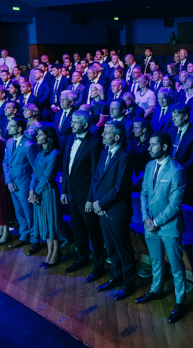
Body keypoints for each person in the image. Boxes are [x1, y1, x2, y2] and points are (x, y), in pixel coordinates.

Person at [136, 132, 188, 322]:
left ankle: (180, 301)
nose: (148, 148)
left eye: (153, 145)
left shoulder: (177, 170)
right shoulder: (149, 165)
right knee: (155, 261)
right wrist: (145, 218)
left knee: (176, 267)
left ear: (165, 147)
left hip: (168, 227)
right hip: (150, 225)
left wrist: (155, 222)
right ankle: (156, 290)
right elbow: (143, 194)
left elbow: (175, 205)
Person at [90, 121, 136, 299]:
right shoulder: (103, 153)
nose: (102, 135)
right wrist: (97, 202)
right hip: (102, 209)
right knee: (110, 247)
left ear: (117, 137)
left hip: (116, 211)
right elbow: (96, 179)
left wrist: (101, 204)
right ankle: (115, 277)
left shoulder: (125, 156)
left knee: (123, 248)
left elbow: (120, 188)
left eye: (107, 133)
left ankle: (128, 283)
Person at [61, 111, 104, 278]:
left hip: (86, 197)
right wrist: (64, 190)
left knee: (94, 231)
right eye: (72, 121)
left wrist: (90, 199)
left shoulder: (95, 144)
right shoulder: (71, 139)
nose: (72, 124)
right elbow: (65, 166)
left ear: (85, 125)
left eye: (76, 122)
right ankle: (82, 257)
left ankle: (99, 265)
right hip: (72, 194)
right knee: (78, 229)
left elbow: (95, 175)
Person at [27, 126, 65, 265]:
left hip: (48, 192)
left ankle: (55, 253)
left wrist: (35, 192)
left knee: (52, 223)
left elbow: (47, 177)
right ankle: (49, 252)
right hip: (38, 192)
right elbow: (34, 174)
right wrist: (31, 190)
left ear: (48, 137)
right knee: (45, 223)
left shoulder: (54, 153)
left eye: (40, 134)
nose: (37, 137)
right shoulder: (39, 153)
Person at [4, 117, 38, 249]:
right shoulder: (9, 141)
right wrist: (8, 181)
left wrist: (32, 188)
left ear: (19, 129)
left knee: (29, 213)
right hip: (12, 184)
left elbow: (35, 169)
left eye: (11, 126)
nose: (8, 128)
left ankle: (35, 239)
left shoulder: (29, 145)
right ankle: (24, 236)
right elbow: (5, 163)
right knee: (19, 212)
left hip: (24, 185)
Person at [166, 105, 193, 206]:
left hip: (186, 179)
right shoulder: (171, 130)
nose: (173, 119)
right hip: (168, 178)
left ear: (186, 116)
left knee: (184, 213)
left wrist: (177, 171)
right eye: (172, 115)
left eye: (176, 116)